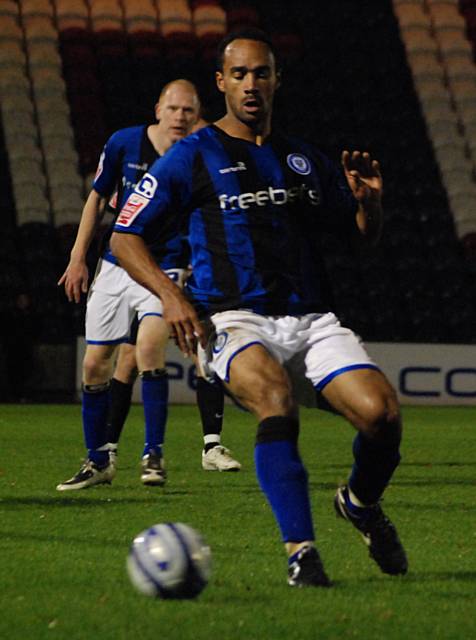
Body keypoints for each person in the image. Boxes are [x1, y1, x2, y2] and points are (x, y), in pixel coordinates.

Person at [110, 29, 407, 587]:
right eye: (239, 74)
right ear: (220, 83)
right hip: (233, 318)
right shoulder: (190, 157)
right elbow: (125, 235)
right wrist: (173, 297)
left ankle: (360, 503)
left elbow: (360, 238)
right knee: (273, 401)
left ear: (276, 80)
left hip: (312, 318)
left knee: (382, 417)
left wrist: (370, 205)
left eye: (262, 73)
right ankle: (302, 552)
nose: (251, 85)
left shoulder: (302, 158)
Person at [57, 79, 240, 492]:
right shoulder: (124, 143)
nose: (179, 117)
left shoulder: (200, 154)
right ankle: (98, 460)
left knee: (149, 348)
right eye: (173, 108)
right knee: (94, 364)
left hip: (166, 269)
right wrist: (77, 257)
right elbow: (97, 199)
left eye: (188, 111)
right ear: (158, 108)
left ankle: (153, 454)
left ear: (198, 115)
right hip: (117, 262)